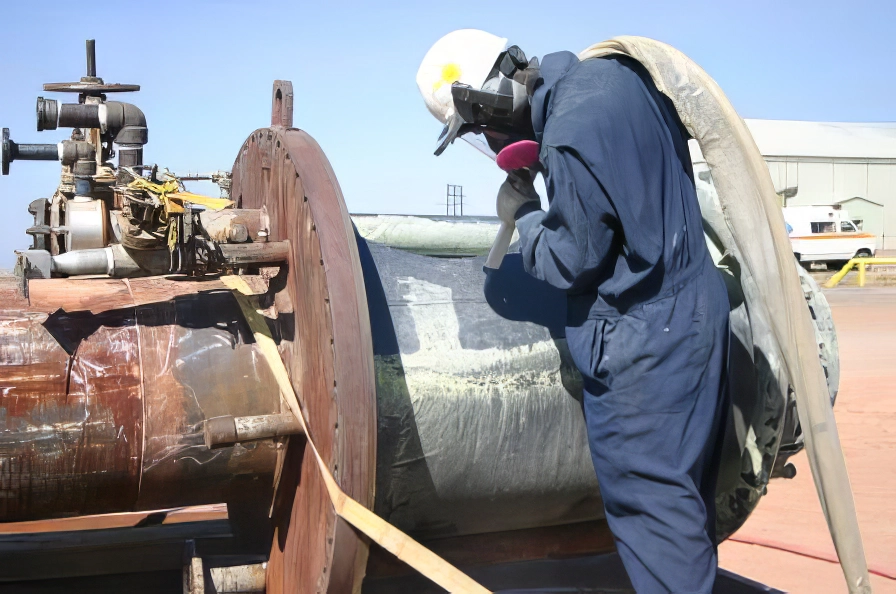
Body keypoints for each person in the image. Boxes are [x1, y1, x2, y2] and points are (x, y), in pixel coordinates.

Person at [417, 30, 730, 593]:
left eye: (481, 127)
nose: (490, 140)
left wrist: (529, 214)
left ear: (490, 99)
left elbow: (572, 260)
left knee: (654, 517)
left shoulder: (568, 132)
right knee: (684, 510)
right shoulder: (618, 77)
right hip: (697, 314)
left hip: (642, 346)